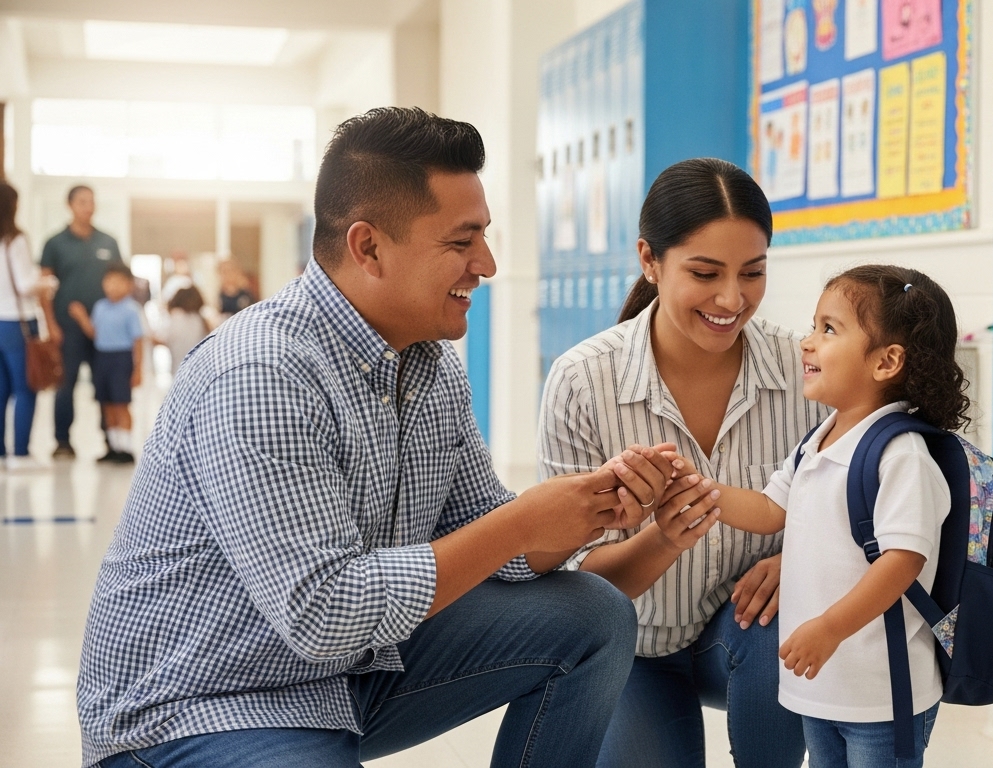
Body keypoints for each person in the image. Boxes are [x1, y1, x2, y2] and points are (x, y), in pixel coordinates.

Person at [79, 107, 700, 768]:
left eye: (484, 236)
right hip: (200, 703)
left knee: (592, 618)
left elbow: (498, 546)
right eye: (462, 242)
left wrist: (592, 510)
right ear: (368, 247)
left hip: (345, 672)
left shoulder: (429, 367)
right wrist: (521, 524)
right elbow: (323, 610)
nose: (486, 264)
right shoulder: (262, 373)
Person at [538, 158, 827, 768]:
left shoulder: (805, 370)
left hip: (746, 637)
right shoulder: (582, 380)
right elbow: (574, 587)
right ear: (650, 260)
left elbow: (857, 507)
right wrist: (665, 538)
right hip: (628, 646)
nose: (732, 298)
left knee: (786, 617)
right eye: (705, 272)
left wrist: (796, 558)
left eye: (753, 272)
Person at [660, 265, 963, 766]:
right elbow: (769, 510)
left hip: (882, 694)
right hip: (822, 686)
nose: (806, 342)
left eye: (828, 329)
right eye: (812, 326)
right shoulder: (818, 440)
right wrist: (696, 485)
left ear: (886, 362)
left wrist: (828, 628)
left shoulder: (901, 453)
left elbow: (903, 561)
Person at [40, 185, 123, 460]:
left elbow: (121, 281)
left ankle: (111, 442)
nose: (88, 207)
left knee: (106, 383)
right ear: (70, 205)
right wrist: (51, 324)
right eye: (82, 202)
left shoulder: (108, 242)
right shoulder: (55, 243)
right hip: (68, 327)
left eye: (92, 201)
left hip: (104, 329)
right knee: (67, 384)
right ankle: (63, 441)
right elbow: (45, 288)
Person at [66, 263, 144, 464]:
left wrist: (138, 369)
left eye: (119, 282)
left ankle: (126, 448)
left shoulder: (131, 309)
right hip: (102, 358)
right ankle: (113, 446)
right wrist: (81, 317)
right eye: (109, 281)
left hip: (121, 358)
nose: (113, 286)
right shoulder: (100, 307)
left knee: (121, 404)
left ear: (128, 285)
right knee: (106, 404)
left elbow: (138, 341)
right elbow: (94, 333)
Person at [0, 182, 47, 470]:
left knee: (2, 389)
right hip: (18, 322)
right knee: (26, 387)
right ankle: (21, 453)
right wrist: (48, 282)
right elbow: (25, 283)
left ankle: (2, 454)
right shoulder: (15, 239)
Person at [159, 286, 210, 376]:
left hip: (178, 369)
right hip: (199, 370)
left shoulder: (176, 316)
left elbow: (165, 337)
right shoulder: (200, 319)